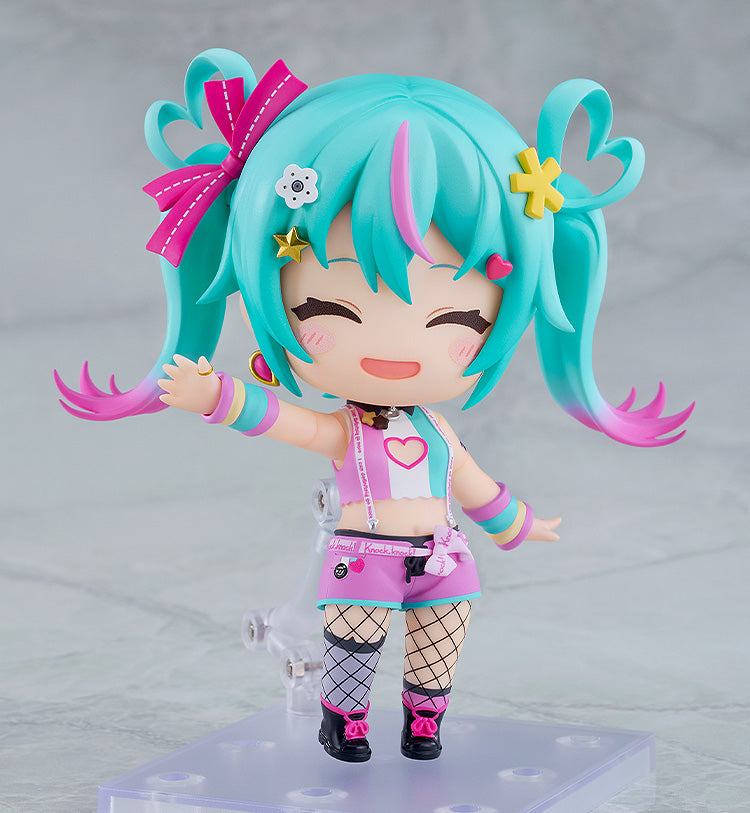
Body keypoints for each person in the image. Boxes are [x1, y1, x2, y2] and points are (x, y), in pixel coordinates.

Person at [55, 49, 692, 762]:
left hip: (446, 556)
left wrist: (519, 523)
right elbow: (287, 421)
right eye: (330, 309)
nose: (399, 348)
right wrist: (219, 397)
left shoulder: (438, 431)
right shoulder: (348, 431)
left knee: (438, 648)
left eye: (458, 321)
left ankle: (425, 723)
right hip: (365, 555)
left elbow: (474, 485)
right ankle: (345, 719)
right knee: (354, 646)